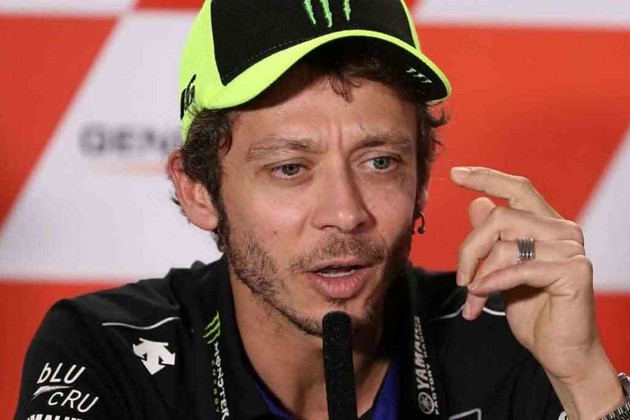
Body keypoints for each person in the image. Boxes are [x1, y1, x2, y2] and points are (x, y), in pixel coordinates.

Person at [15, 0, 629, 419]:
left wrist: (584, 379)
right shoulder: (107, 351)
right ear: (199, 189)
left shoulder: (511, 337)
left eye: (380, 161)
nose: (345, 213)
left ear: (421, 180)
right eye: (290, 168)